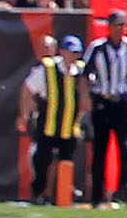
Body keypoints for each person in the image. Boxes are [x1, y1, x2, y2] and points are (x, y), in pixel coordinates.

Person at [81, 12, 127, 203]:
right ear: (109, 26)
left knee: (126, 146)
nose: (119, 29)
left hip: (123, 102)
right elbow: (84, 75)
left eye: (122, 25)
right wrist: (86, 99)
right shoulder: (97, 48)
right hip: (103, 101)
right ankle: (97, 196)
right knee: (100, 149)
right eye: (116, 25)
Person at [25, 36, 87, 203]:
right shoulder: (48, 68)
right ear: (62, 52)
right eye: (70, 52)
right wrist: (26, 112)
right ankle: (38, 192)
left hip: (70, 125)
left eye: (76, 53)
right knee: (42, 159)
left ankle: (62, 194)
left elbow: (86, 95)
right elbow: (28, 88)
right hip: (48, 124)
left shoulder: (81, 71)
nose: (72, 57)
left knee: (66, 161)